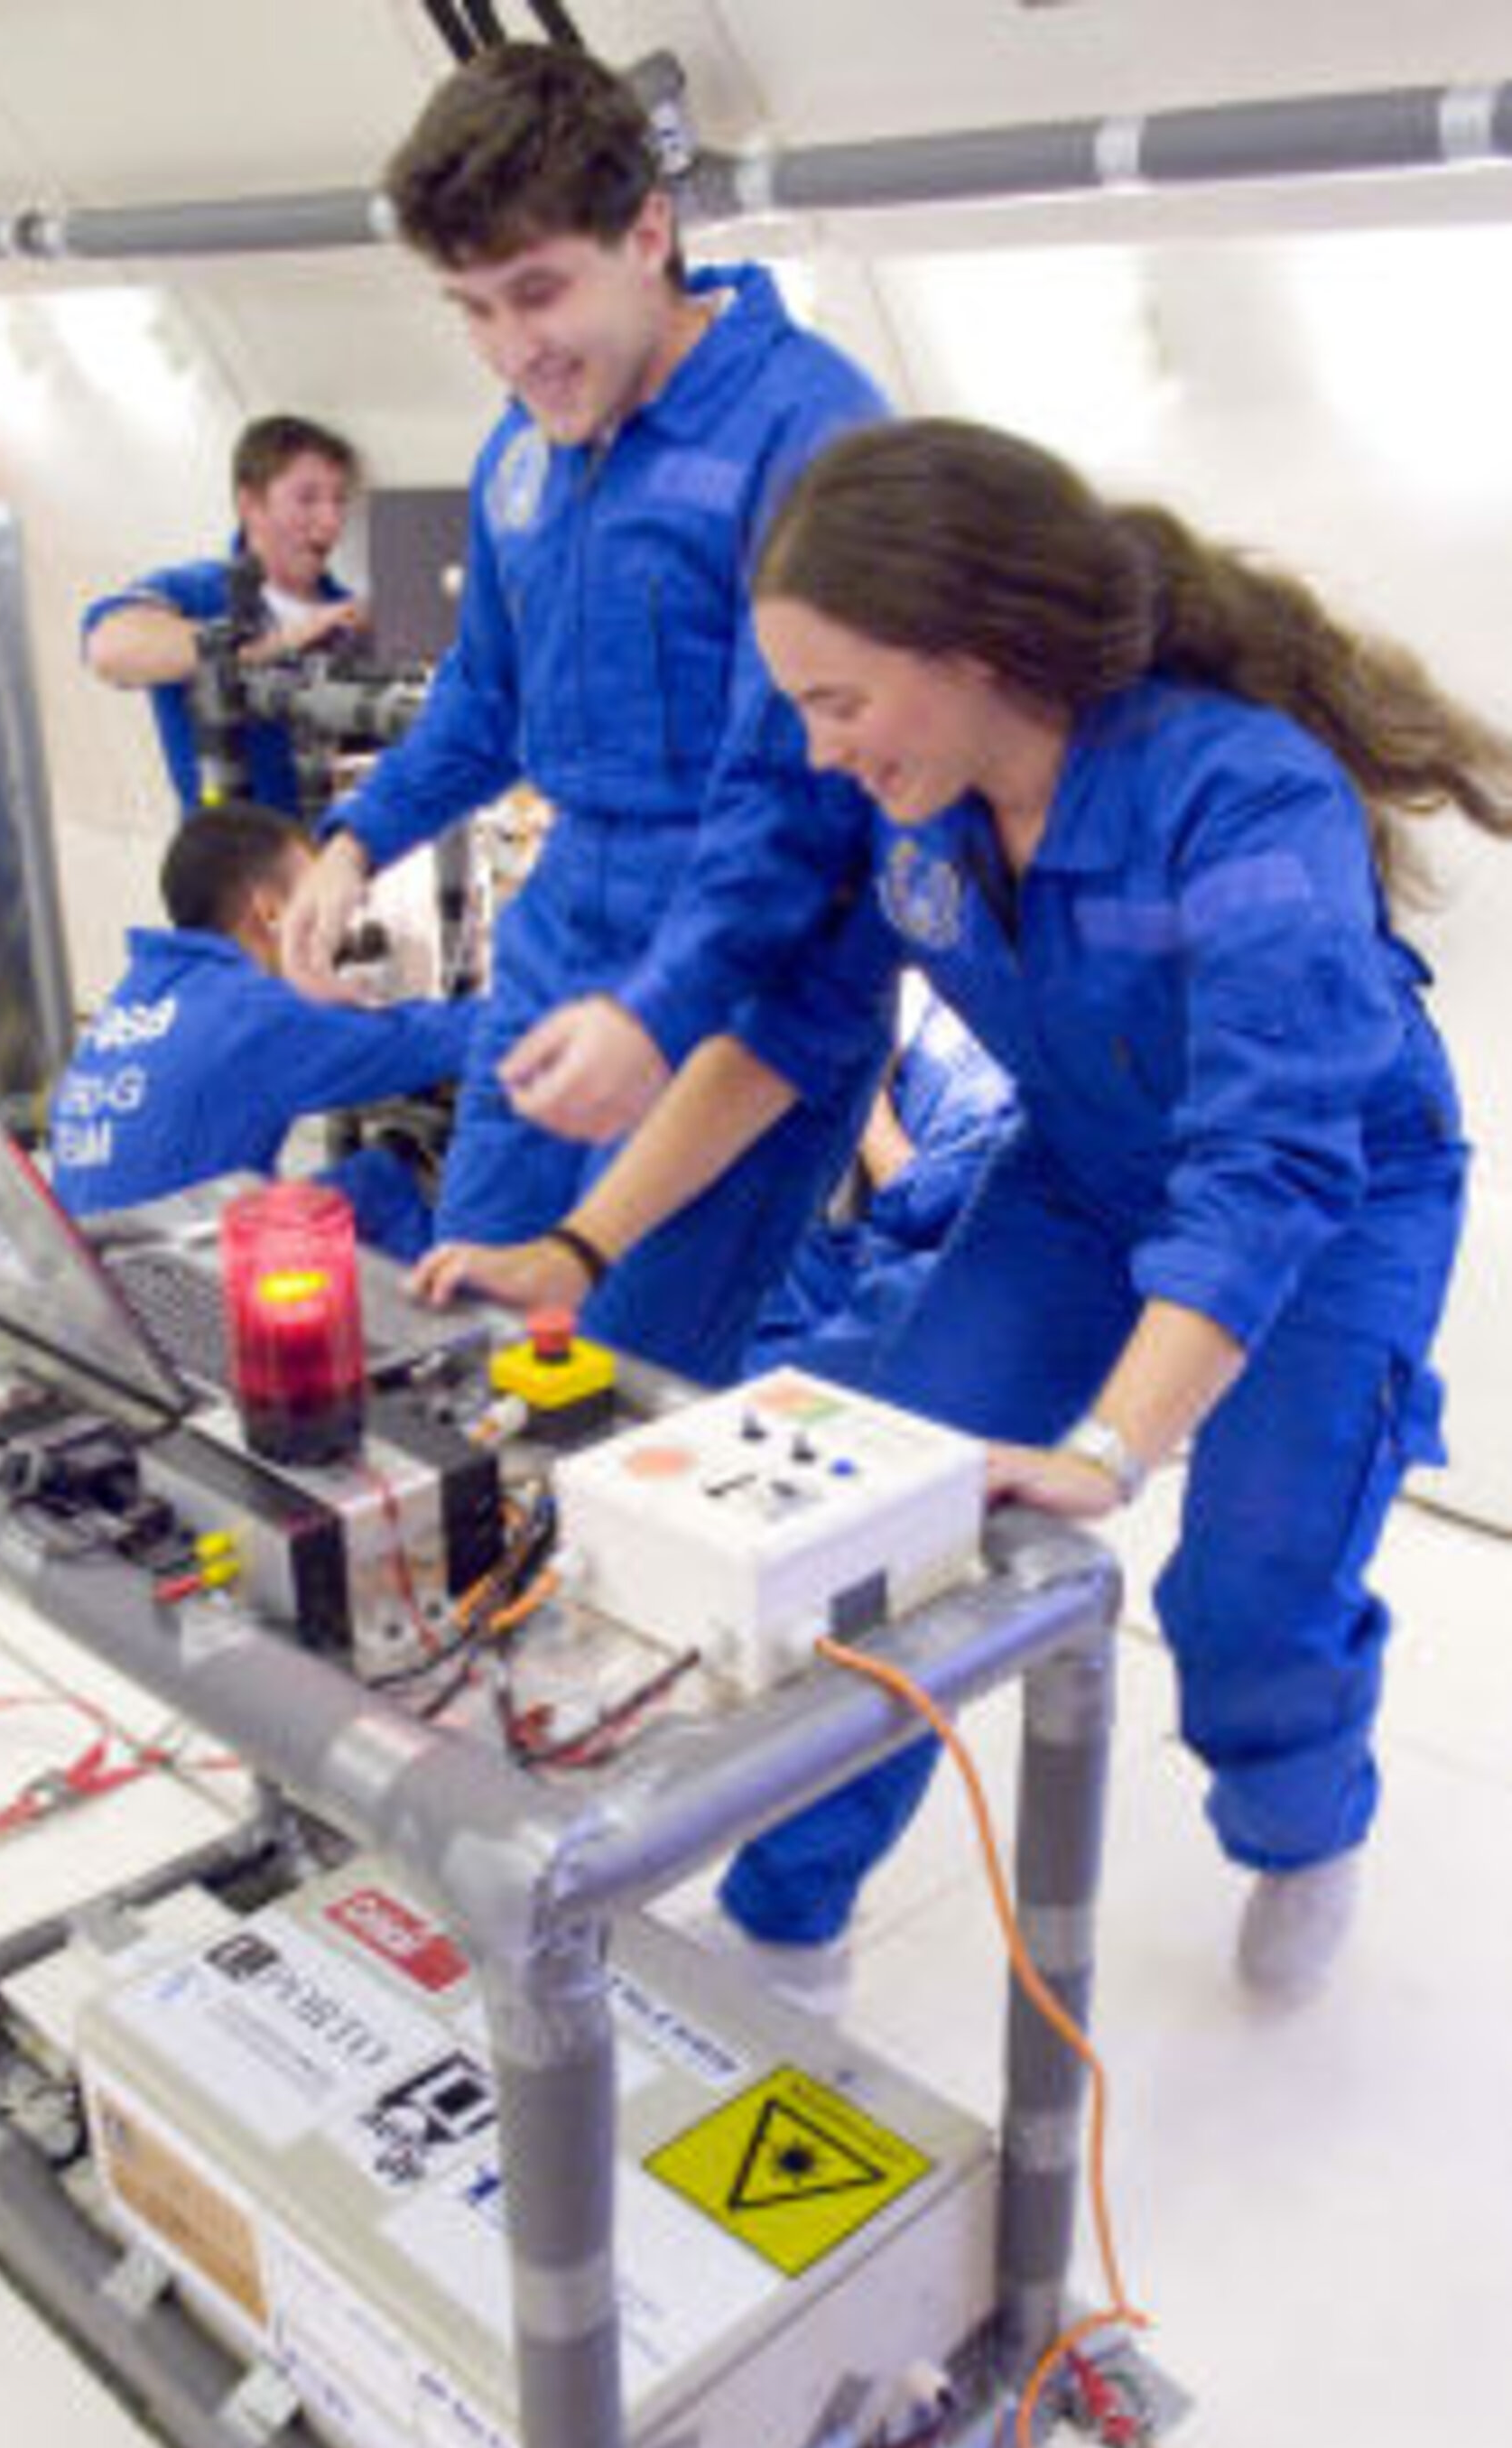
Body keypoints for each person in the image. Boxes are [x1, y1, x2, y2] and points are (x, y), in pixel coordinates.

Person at [449, 416, 1512, 2006]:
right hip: (1081, 1179)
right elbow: (789, 1034)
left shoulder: (1238, 796)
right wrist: (577, 1243)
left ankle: (1301, 1820)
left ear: (971, 652)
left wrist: (1105, 1448)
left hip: (1336, 1198)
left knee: (1247, 1591)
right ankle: (788, 1919)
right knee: (879, 1529)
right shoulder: (914, 800)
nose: (819, 748)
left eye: (838, 700)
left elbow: (1270, 1160)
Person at [281, 42, 898, 1383]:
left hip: (747, 978)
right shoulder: (521, 453)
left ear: (651, 230)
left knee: (614, 1384)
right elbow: (485, 699)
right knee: (470, 1334)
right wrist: (353, 839)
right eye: (472, 310)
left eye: (539, 293)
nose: (513, 352)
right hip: (564, 939)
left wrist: (662, 1013)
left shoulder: (811, 435)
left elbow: (791, 802)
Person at [48, 801, 476, 1256]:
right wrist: (540, 1006)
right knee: (391, 1180)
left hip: (99, 1278)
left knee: (338, 1186)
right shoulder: (248, 1012)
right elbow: (419, 1042)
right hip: (185, 1294)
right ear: (271, 912)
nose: (338, 927)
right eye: (317, 901)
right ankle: (467, 1321)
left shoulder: (135, 998)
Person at [82, 413, 366, 817]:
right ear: (249, 505)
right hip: (228, 862)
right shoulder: (194, 593)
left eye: (340, 501)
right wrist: (272, 644)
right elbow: (110, 649)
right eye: (307, 499)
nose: (330, 521)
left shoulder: (351, 615)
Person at [746, 983, 1016, 1361]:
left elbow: (926, 1208)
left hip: (954, 1274)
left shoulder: (1031, 1043)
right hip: (864, 1253)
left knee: (787, 1369)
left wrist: (870, 1099)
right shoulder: (942, 1002)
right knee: (743, 1267)